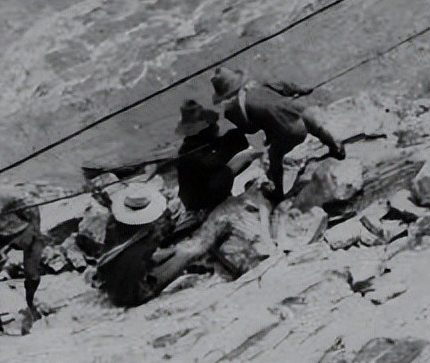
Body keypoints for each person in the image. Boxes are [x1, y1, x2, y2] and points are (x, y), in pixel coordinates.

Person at [210, 67, 345, 202]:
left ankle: (277, 192)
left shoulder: (240, 107)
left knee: (274, 157)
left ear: (227, 95)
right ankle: (336, 148)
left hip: (291, 129)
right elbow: (286, 86)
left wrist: (232, 115)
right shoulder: (258, 83)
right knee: (317, 129)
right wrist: (303, 89)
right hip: (300, 110)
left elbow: (252, 129)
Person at [94, 184, 232, 308]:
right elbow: (153, 248)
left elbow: (146, 255)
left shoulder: (114, 224)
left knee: (176, 250)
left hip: (112, 278)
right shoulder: (147, 236)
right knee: (189, 252)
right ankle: (218, 232)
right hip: (132, 292)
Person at [174, 99, 257, 215]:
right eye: (212, 125)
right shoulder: (189, 152)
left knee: (234, 138)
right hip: (198, 200)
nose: (216, 127)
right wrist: (243, 155)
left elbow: (222, 145)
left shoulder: (202, 142)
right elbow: (213, 164)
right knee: (224, 173)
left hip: (204, 182)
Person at [0, 183, 44, 333]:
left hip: (23, 226)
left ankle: (30, 304)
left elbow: (27, 201)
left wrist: (35, 229)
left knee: (31, 272)